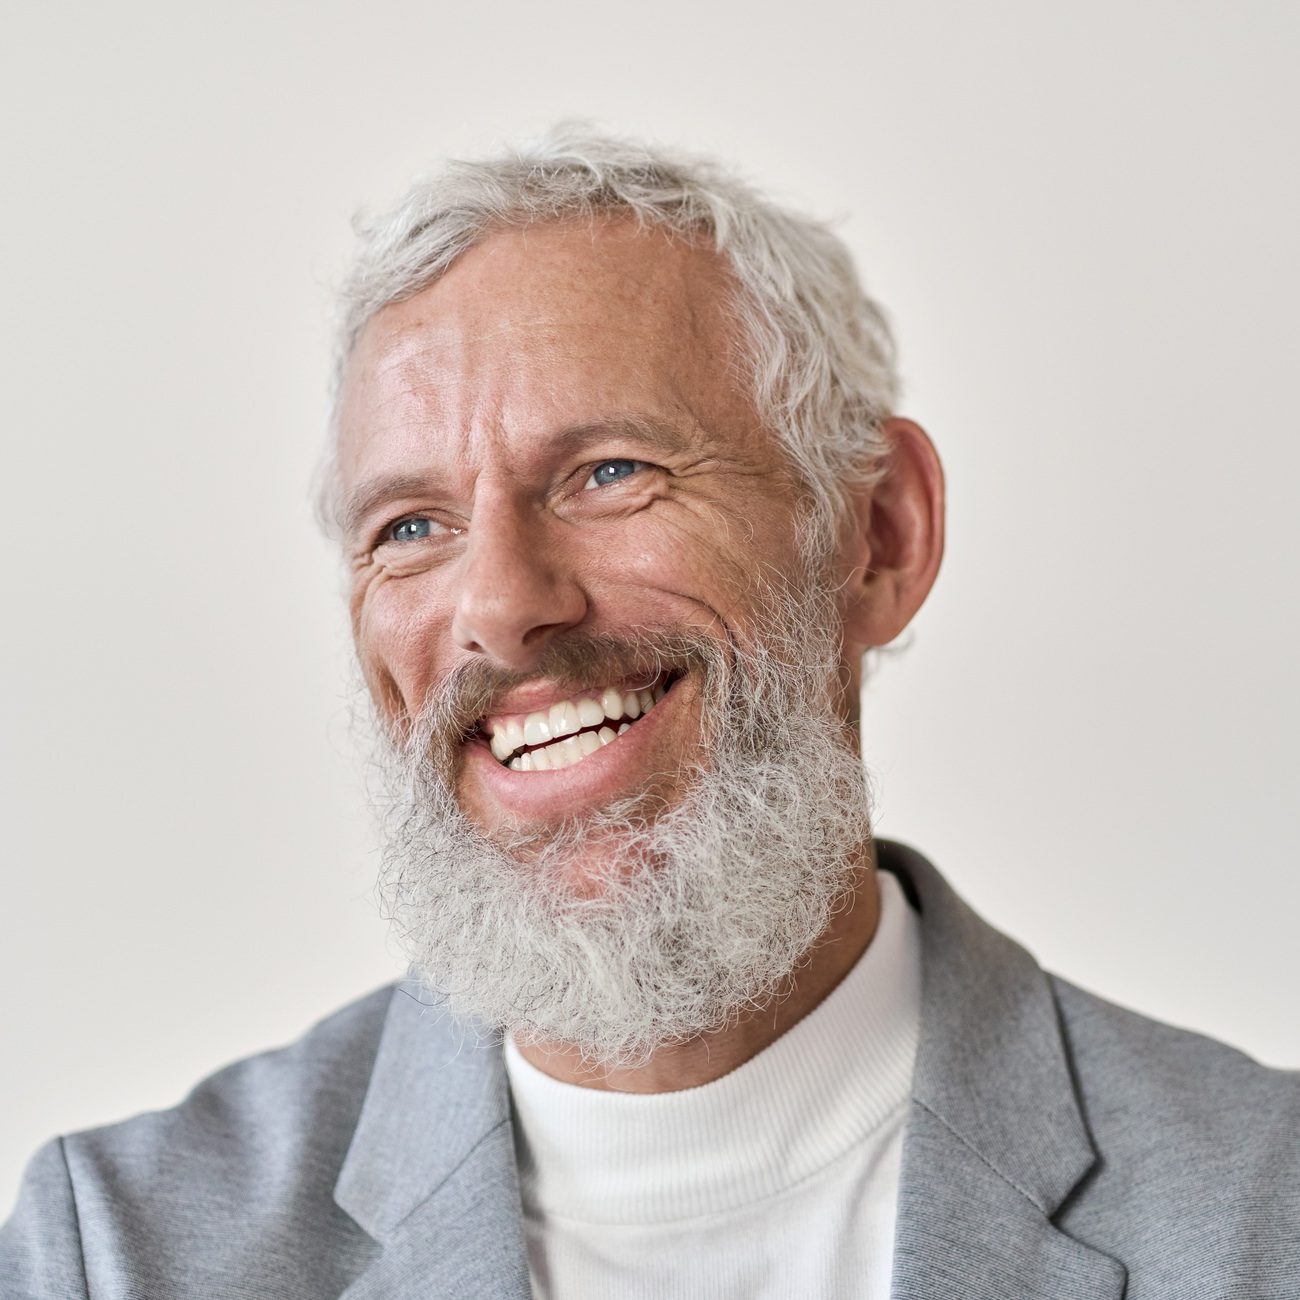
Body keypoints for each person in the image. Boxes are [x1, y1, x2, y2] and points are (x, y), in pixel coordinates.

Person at [2, 126, 1296, 1300]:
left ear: (879, 534)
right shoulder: (117, 1252)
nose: (501, 607)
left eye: (612, 471)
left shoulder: (1263, 1216)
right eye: (411, 528)